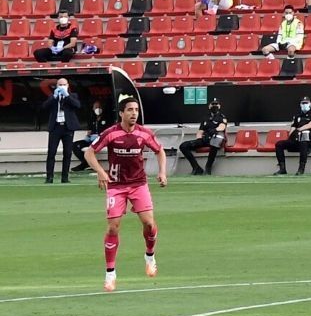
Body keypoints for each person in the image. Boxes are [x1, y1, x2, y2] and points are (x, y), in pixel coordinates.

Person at [82, 97, 165, 292]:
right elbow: (89, 153)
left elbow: (159, 151)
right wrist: (101, 172)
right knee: (113, 227)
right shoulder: (111, 133)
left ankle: (150, 256)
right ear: (121, 113)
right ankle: (110, 273)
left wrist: (162, 172)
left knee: (149, 224)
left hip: (138, 184)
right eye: (129, 110)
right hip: (116, 186)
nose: (134, 113)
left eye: (136, 110)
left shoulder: (144, 133)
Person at [41, 78, 82, 183]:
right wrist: (54, 97)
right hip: (55, 127)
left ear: (68, 85)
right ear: (56, 86)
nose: (62, 86)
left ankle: (65, 177)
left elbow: (77, 105)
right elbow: (44, 107)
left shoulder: (73, 96)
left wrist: (67, 95)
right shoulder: (52, 97)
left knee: (67, 153)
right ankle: (49, 177)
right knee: (51, 152)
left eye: (64, 84)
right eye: (60, 85)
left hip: (67, 128)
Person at [176, 99, 229, 176]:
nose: (214, 106)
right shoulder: (205, 118)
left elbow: (222, 127)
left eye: (216, 104)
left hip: (217, 139)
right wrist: (199, 140)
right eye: (213, 104)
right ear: (209, 106)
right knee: (183, 146)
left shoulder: (222, 117)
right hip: (205, 139)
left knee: (214, 143)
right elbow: (200, 131)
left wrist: (214, 130)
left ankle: (208, 168)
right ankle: (196, 168)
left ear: (219, 106)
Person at [274, 97, 311, 175]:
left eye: (306, 103)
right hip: (297, 139)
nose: (304, 105)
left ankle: (301, 169)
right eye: (303, 103)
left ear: (310, 104)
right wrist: (291, 136)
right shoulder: (297, 116)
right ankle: (282, 169)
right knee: (279, 144)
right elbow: (293, 127)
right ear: (300, 104)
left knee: (303, 142)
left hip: (309, 140)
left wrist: (299, 129)